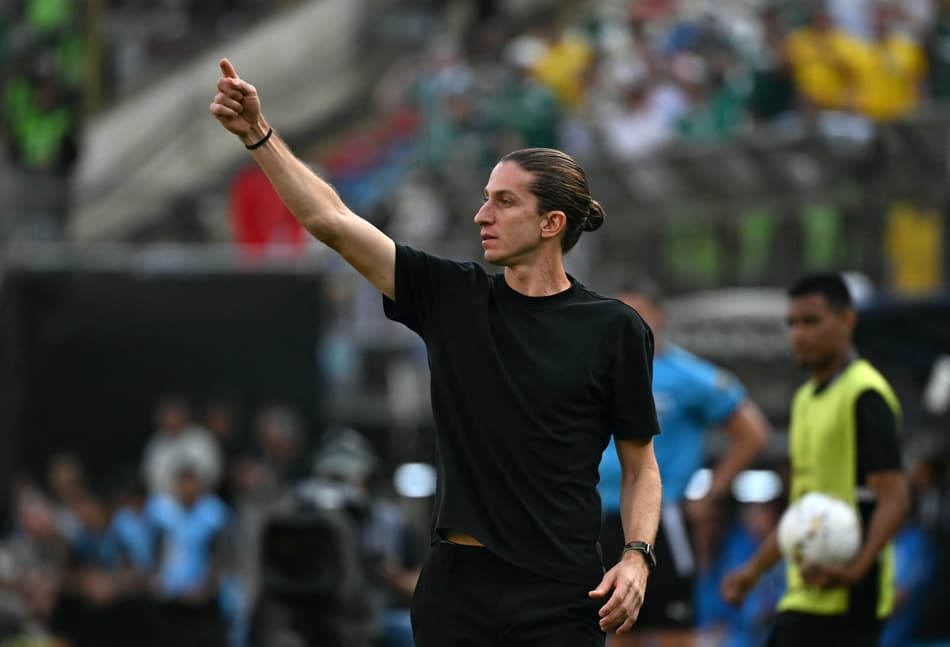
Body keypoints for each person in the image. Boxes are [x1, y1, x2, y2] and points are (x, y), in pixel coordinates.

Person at [210, 58, 662, 646]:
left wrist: (636, 555)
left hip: (561, 592)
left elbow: (640, 466)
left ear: (552, 222)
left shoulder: (615, 328)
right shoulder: (453, 297)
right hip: (457, 588)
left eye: (504, 202)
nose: (482, 215)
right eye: (485, 198)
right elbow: (332, 221)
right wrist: (258, 135)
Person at [721, 272, 909, 647]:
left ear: (847, 320)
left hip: (849, 597)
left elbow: (895, 498)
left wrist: (855, 571)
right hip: (804, 590)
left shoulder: (865, 394)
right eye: (792, 323)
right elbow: (803, 507)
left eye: (811, 321)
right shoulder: (805, 399)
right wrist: (754, 570)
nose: (799, 334)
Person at [598, 281, 771, 647]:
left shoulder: (687, 376)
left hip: (663, 518)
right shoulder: (601, 370)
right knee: (615, 625)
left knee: (673, 625)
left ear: (659, 316)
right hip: (601, 516)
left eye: (636, 313)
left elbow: (752, 432)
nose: (626, 323)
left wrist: (713, 491)